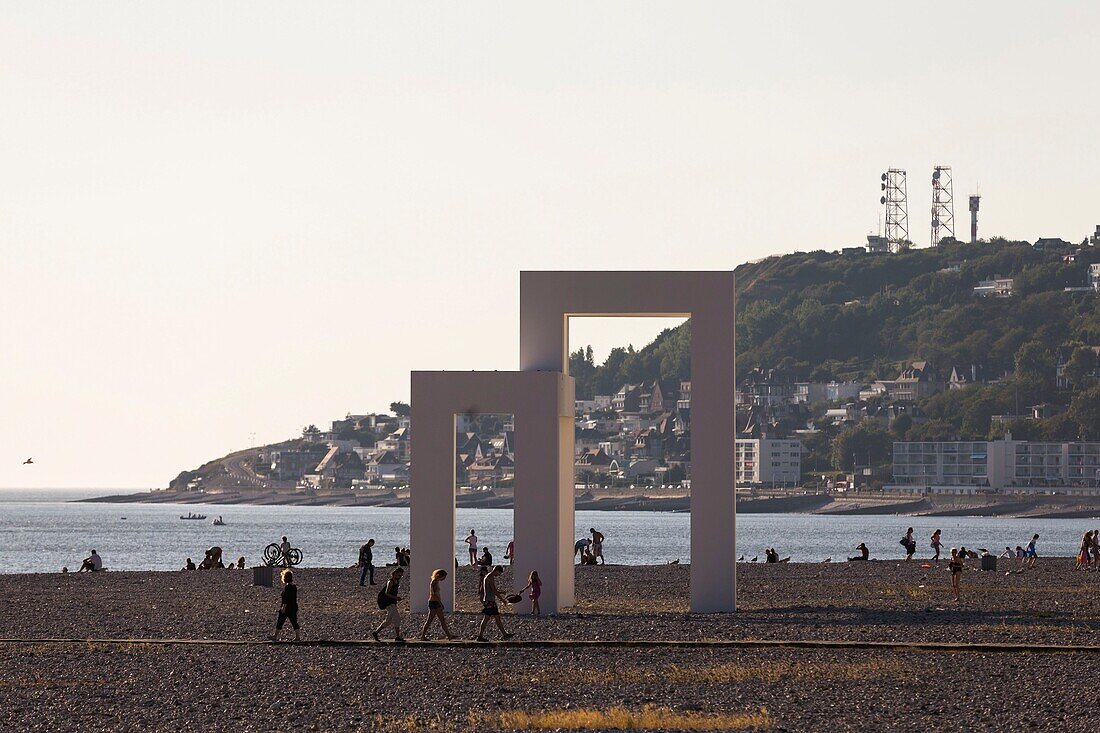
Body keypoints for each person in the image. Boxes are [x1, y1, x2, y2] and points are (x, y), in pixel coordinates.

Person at [476, 566, 514, 642]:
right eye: (499, 573)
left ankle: (504, 634)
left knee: (497, 617)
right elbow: (494, 590)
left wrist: (500, 593)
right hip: (489, 601)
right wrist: (502, 599)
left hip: (490, 600)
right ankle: (480, 636)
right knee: (486, 618)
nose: (499, 575)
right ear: (497, 570)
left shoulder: (488, 576)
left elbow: (491, 590)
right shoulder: (490, 577)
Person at [420, 569, 457, 641]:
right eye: (444, 577)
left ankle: (449, 636)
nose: (444, 579)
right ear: (440, 575)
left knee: (442, 620)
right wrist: (441, 603)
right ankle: (423, 636)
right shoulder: (434, 583)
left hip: (435, 602)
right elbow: (435, 595)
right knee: (430, 620)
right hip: (434, 603)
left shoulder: (435, 582)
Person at [372, 567, 404, 642]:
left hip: (392, 602)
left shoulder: (397, 581)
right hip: (388, 602)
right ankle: (397, 636)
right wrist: (396, 598)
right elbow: (387, 593)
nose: (400, 577)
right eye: (399, 575)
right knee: (396, 619)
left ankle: (376, 632)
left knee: (390, 620)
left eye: (401, 576)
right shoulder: (391, 581)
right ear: (395, 574)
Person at [272, 569, 300, 642]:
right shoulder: (294, 587)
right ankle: (298, 636)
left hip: (287, 607)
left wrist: (283, 607)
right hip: (294, 606)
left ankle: (275, 636)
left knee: (280, 621)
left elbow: (286, 599)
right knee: (294, 621)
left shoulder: (287, 587)